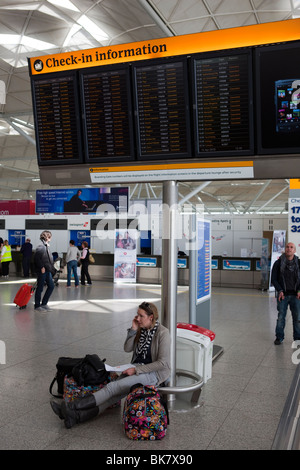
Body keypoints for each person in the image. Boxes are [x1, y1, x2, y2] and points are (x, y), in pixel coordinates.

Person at [50, 301, 170, 428]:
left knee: (112, 387)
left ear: (151, 317)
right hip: (136, 368)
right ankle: (75, 417)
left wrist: (135, 370)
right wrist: (133, 329)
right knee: (112, 397)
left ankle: (70, 407)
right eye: (137, 315)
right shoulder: (142, 330)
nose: (138, 319)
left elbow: (162, 363)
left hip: (153, 374)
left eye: (141, 316)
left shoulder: (162, 333)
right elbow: (127, 348)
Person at [271, 242, 300, 345]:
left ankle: (297, 338)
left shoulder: (299, 263)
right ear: (285, 249)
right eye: (287, 247)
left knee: (297, 318)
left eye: (291, 247)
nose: (289, 249)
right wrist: (280, 290)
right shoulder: (278, 263)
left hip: (296, 295)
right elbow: (274, 279)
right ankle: (279, 337)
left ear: (294, 250)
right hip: (282, 295)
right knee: (281, 317)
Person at [34, 231, 55, 312]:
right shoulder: (41, 246)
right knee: (40, 288)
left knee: (51, 286)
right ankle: (37, 306)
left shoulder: (46, 246)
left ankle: (44, 304)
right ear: (47, 237)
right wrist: (41, 267)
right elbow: (36, 258)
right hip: (42, 271)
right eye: (50, 237)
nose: (51, 239)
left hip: (47, 270)